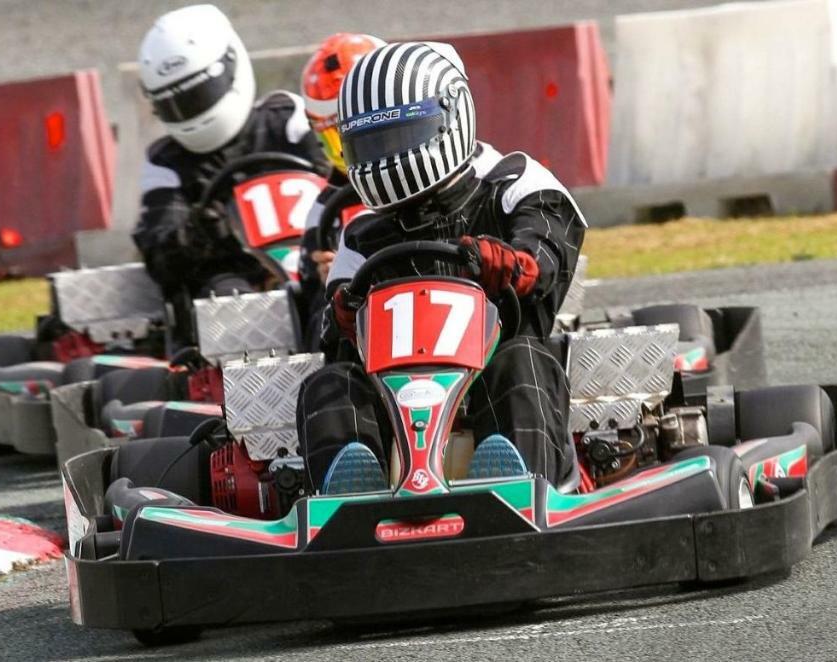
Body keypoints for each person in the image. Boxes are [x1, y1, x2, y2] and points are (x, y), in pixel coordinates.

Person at [295, 41, 588, 495]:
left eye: (397, 139)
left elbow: (548, 249)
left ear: (449, 117)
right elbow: (328, 336)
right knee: (331, 384)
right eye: (373, 144)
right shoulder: (361, 234)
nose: (387, 156)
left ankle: (518, 485)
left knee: (523, 360)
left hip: (495, 378)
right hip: (397, 409)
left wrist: (514, 265)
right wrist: (343, 316)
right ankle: (349, 499)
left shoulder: (512, 184)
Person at [132, 4, 326, 299]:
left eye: (198, 96)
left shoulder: (289, 122)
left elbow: (343, 184)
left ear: (231, 64)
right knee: (228, 296)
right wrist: (198, 233)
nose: (191, 112)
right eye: (177, 104)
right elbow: (160, 258)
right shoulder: (166, 166)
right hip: (236, 288)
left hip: (316, 260)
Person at [295, 32, 387, 346]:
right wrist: (328, 278)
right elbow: (307, 296)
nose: (352, 145)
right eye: (336, 135)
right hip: (371, 322)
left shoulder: (439, 170)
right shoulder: (324, 211)